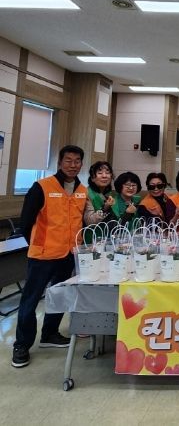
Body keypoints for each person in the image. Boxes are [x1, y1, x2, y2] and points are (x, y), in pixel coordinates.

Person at [12, 145, 87, 368]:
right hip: (42, 255)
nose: (72, 165)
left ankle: (50, 333)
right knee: (31, 299)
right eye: (68, 160)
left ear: (81, 164)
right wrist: (39, 243)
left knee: (60, 296)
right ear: (60, 162)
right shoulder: (42, 187)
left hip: (68, 254)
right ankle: (22, 344)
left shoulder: (82, 190)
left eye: (77, 161)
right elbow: (26, 222)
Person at [84, 160, 116, 226]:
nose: (104, 176)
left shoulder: (110, 193)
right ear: (92, 178)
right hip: (92, 232)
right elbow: (89, 221)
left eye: (107, 173)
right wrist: (104, 209)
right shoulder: (87, 193)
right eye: (100, 173)